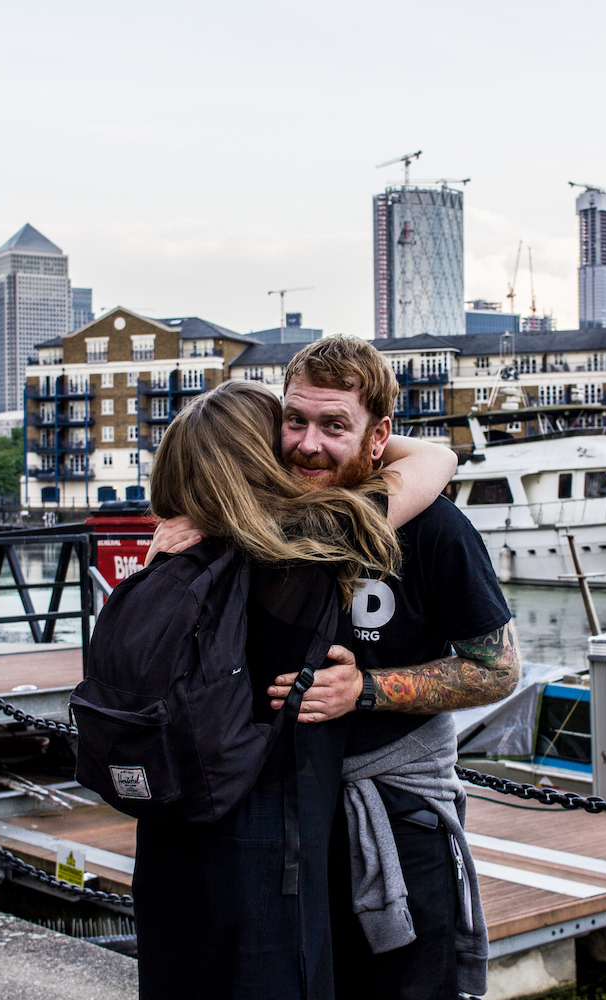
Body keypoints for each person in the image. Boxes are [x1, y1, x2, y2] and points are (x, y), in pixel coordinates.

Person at [152, 337, 519, 1000]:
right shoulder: (255, 521)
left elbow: (496, 670)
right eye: (296, 421)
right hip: (277, 822)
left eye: (334, 426)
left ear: (378, 436)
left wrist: (367, 689)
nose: (308, 444)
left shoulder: (434, 528)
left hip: (393, 819)